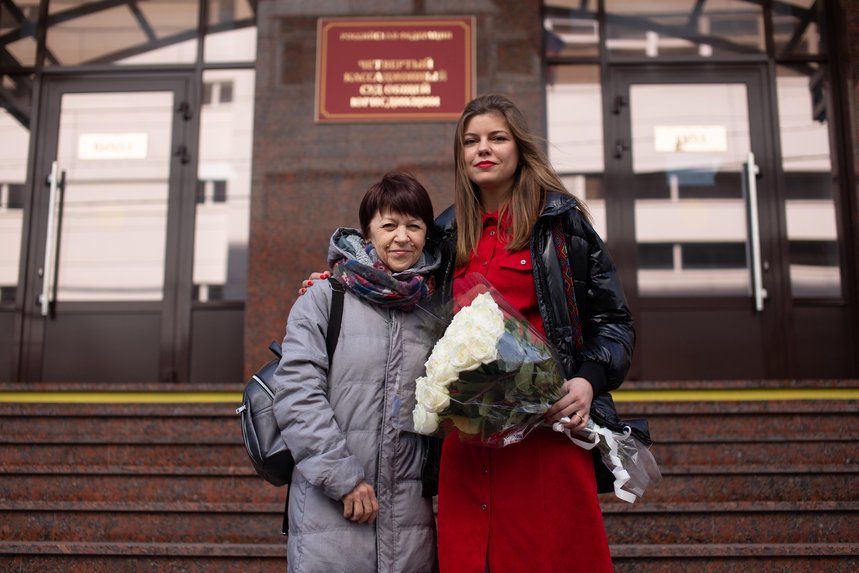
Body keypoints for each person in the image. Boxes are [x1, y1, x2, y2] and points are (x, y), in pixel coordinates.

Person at [431, 93, 634, 572]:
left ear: (518, 147)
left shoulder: (561, 224)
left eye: (497, 138)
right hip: (467, 441)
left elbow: (614, 322)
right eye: (471, 140)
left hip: (546, 436)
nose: (484, 148)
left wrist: (587, 380)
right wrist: (332, 283)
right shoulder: (444, 233)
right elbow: (394, 284)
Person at [272, 171, 441, 573]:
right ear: (367, 233)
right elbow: (297, 394)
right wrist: (343, 478)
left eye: (414, 226)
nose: (403, 237)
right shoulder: (324, 298)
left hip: (409, 518)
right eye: (389, 225)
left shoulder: (433, 308)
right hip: (329, 509)